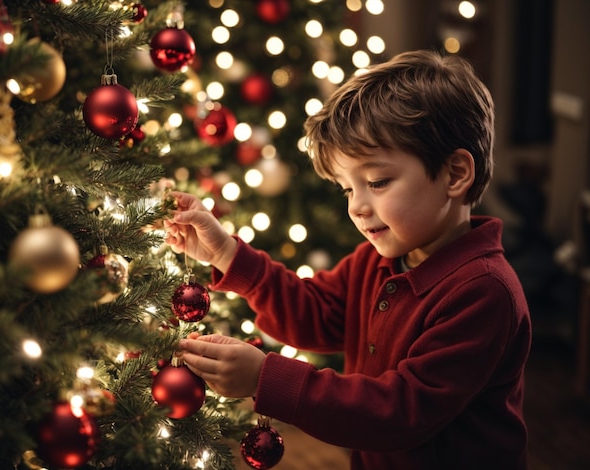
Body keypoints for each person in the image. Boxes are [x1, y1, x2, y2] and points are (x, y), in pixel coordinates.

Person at [166, 49, 532, 469]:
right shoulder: (374, 262)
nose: (356, 207)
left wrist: (264, 378)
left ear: (454, 174)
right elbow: (314, 314)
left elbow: (399, 413)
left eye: (376, 182)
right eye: (347, 188)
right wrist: (226, 253)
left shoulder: (483, 292)